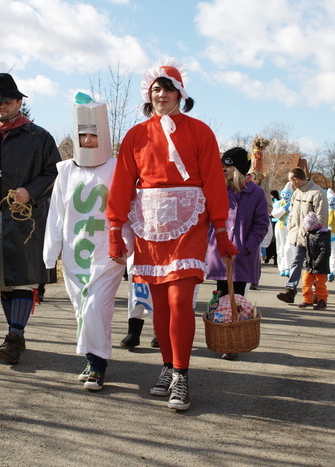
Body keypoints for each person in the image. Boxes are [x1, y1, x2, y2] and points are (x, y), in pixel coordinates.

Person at [106, 59, 237, 411]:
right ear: (148, 95)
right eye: (155, 89)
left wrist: (221, 229)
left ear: (180, 93)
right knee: (160, 305)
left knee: (180, 300)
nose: (161, 94)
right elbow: (122, 184)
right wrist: (115, 230)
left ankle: (181, 374)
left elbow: (214, 182)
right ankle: (167, 366)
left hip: (189, 225)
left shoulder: (200, 131)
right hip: (149, 226)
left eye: (167, 88)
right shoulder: (135, 135)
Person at [0, 72, 61, 364]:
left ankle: (14, 338)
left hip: (27, 220)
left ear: (18, 102)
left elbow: (55, 172)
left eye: (6, 102)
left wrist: (31, 192)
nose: (0, 107)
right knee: (4, 280)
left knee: (23, 279)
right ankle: (16, 331)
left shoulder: (39, 137)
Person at [43, 95, 126, 391]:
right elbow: (57, 212)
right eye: (83, 135)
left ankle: (98, 366)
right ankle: (92, 359)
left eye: (93, 135)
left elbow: (128, 209)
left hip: (107, 253)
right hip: (75, 252)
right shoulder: (66, 170)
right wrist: (50, 252)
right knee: (82, 310)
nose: (88, 140)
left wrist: (129, 248)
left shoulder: (117, 167)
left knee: (95, 307)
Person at [205, 147, 270, 359]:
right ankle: (222, 337)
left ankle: (233, 342)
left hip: (242, 256)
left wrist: (244, 248)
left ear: (240, 168)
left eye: (229, 165)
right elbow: (209, 220)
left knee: (238, 298)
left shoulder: (256, 193)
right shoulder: (218, 189)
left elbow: (261, 225)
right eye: (223, 165)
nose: (224, 169)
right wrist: (211, 243)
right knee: (221, 295)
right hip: (219, 254)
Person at [276, 167, 328, 304]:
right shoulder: (296, 193)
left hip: (312, 238)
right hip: (297, 236)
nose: (290, 183)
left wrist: (316, 235)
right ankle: (290, 290)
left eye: (290, 180)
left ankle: (317, 293)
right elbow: (292, 213)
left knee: (313, 266)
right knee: (296, 261)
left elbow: (322, 217)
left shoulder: (318, 193)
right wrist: (291, 228)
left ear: (296, 179)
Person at [297, 212, 331, 310]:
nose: (306, 228)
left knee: (320, 284)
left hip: (321, 266)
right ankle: (307, 300)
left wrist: (317, 263)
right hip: (309, 265)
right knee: (306, 282)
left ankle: (322, 301)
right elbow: (308, 250)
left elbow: (325, 251)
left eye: (307, 226)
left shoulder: (323, 235)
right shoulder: (309, 234)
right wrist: (307, 261)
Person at [271, 183, 294, 277]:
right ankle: (282, 268)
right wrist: (283, 209)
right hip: (280, 226)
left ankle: (288, 267)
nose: (286, 196)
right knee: (280, 247)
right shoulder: (277, 204)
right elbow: (275, 214)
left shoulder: (294, 204)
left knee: (288, 248)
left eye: (288, 194)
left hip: (290, 227)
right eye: (284, 194)